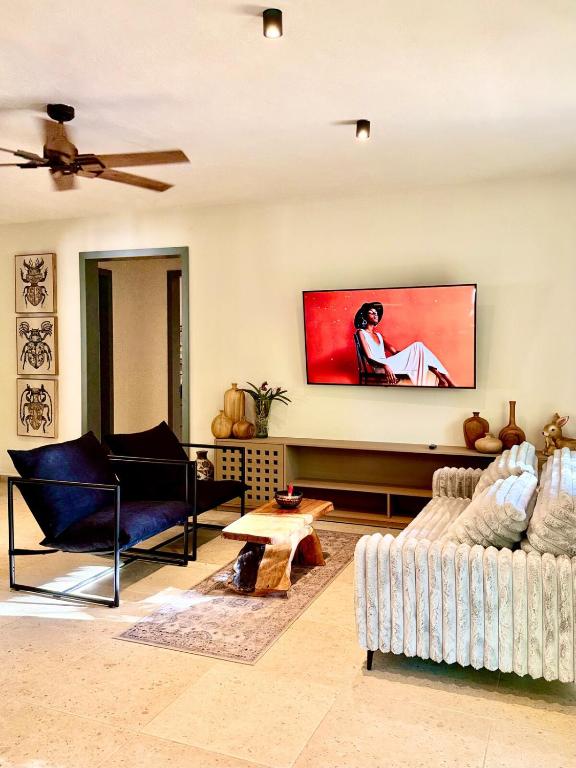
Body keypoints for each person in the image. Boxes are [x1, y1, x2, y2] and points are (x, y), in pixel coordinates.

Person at [354, 301, 454, 387]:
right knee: (418, 346)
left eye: (376, 313)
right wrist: (385, 365)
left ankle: (443, 379)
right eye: (371, 313)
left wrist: (413, 356)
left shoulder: (379, 335)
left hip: (389, 363)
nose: (375, 315)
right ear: (365, 317)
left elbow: (394, 352)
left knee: (419, 349)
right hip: (380, 367)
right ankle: (446, 380)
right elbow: (369, 358)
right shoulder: (361, 333)